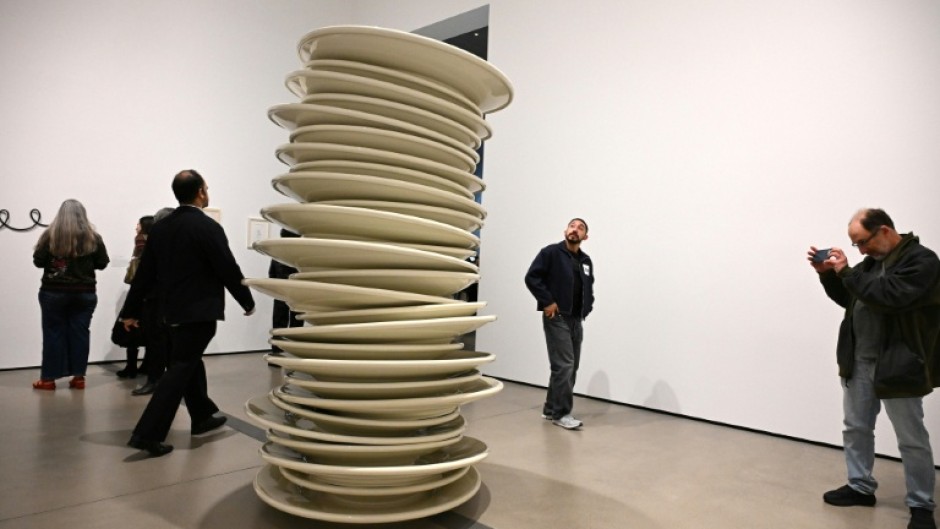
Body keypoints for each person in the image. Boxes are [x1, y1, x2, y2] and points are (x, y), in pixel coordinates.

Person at [809, 208, 940, 529]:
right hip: (859, 361)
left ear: (884, 231)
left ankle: (921, 505)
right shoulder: (871, 264)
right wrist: (829, 274)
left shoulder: (922, 261)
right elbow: (852, 299)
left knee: (911, 439)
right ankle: (860, 486)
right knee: (856, 428)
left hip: (899, 365)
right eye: (856, 245)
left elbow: (890, 296)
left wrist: (848, 273)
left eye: (862, 242)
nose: (861, 251)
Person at [120, 170, 255, 457]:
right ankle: (147, 433)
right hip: (199, 312)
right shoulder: (207, 228)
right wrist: (247, 300)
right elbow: (227, 268)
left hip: (169, 312)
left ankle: (202, 415)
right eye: (206, 188)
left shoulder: (161, 228)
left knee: (187, 360)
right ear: (201, 193)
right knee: (181, 367)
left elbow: (144, 275)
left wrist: (129, 311)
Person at [524, 218, 595, 430]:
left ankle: (550, 408)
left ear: (585, 237)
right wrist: (547, 301)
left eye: (580, 228)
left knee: (567, 368)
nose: (575, 230)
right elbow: (532, 277)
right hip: (557, 317)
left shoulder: (586, 261)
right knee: (565, 365)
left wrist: (587, 307)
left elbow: (588, 287)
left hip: (576, 319)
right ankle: (561, 414)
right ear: (566, 230)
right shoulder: (550, 253)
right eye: (572, 226)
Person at [32, 199, 110, 390]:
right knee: (80, 334)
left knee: (53, 333)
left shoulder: (50, 236)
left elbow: (38, 261)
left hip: (53, 292)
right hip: (84, 293)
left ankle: (49, 379)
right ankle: (78, 378)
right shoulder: (94, 237)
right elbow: (102, 263)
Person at [130, 207, 175, 396]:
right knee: (159, 341)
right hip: (159, 298)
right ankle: (156, 379)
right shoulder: (160, 243)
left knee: (159, 341)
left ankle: (156, 380)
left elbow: (142, 276)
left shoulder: (161, 243)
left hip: (160, 299)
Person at [116, 215, 154, 379]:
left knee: (131, 328)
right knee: (149, 330)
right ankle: (146, 365)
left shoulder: (140, 240)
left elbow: (139, 267)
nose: (136, 226)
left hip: (140, 293)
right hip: (151, 294)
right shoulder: (155, 240)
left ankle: (131, 367)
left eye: (138, 223)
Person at [268, 228, 302, 357]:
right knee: (297, 322)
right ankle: (296, 350)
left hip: (281, 292)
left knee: (279, 322)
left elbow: (271, 273)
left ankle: (276, 351)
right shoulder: (300, 254)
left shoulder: (277, 254)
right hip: (298, 294)